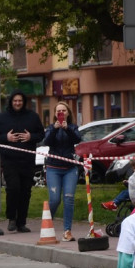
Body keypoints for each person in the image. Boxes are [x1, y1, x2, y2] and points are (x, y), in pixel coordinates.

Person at [0, 91, 45, 233]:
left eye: (20, 101)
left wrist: (30, 136)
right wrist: (6, 138)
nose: (17, 103)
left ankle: (22, 222)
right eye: (15, 101)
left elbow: (41, 134)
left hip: (27, 161)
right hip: (10, 161)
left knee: (25, 191)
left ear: (24, 102)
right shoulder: (3, 118)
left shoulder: (32, 117)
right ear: (11, 102)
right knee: (13, 189)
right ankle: (11, 219)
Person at [42, 100, 83, 241]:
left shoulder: (73, 127)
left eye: (63, 111)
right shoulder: (50, 128)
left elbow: (78, 139)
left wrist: (67, 129)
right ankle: (47, 223)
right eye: (58, 111)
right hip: (53, 168)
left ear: (68, 113)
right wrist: (55, 128)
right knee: (54, 200)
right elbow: (46, 142)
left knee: (69, 198)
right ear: (55, 114)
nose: (61, 113)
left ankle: (67, 231)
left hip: (70, 168)